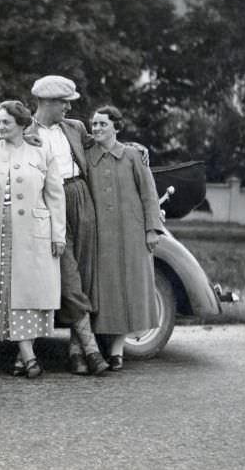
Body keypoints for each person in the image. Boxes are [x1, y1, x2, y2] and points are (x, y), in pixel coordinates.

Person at [26, 75, 109, 375]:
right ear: (47, 102)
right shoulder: (25, 131)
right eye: (64, 103)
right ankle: (91, 349)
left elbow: (102, 145)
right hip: (48, 204)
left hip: (80, 196)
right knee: (68, 276)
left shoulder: (74, 127)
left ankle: (76, 352)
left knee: (84, 275)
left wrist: (136, 148)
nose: (68, 108)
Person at [0, 100, 66, 378]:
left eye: (6, 122)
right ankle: (26, 356)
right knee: (4, 291)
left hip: (32, 232)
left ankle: (25, 356)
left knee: (28, 293)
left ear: (21, 124)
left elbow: (55, 195)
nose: (0, 127)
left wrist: (58, 234)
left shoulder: (41, 152)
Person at [86, 105, 164, 371]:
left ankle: (117, 351)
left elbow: (149, 195)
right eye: (94, 124)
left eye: (102, 124)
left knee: (127, 290)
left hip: (131, 234)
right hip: (99, 237)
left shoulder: (132, 156)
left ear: (116, 127)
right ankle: (94, 348)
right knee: (104, 291)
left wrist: (152, 229)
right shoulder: (86, 157)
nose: (96, 129)